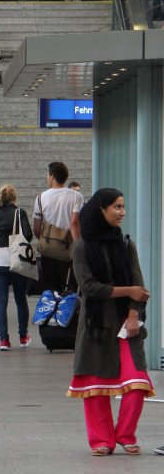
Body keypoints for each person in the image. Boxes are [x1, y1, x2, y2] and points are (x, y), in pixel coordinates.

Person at [66, 189, 152, 456]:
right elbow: (90, 288)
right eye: (116, 207)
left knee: (137, 382)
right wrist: (128, 292)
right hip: (95, 325)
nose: (122, 213)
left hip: (127, 325)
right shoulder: (81, 247)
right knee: (95, 387)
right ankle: (101, 440)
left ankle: (125, 434)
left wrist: (134, 315)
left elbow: (140, 287)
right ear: (100, 210)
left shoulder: (126, 245)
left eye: (123, 207)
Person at [0, 184, 33, 351]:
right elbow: (28, 235)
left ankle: (4, 340)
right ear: (14, 197)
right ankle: (23, 336)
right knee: (21, 300)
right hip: (17, 260)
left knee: (1, 302)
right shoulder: (20, 213)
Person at [33, 161, 84, 295]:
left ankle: (52, 314)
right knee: (70, 290)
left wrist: (47, 240)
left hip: (48, 252)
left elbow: (37, 230)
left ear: (52, 176)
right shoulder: (77, 196)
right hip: (68, 251)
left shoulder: (40, 198)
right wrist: (78, 247)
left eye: (47, 175)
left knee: (51, 291)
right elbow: (75, 224)